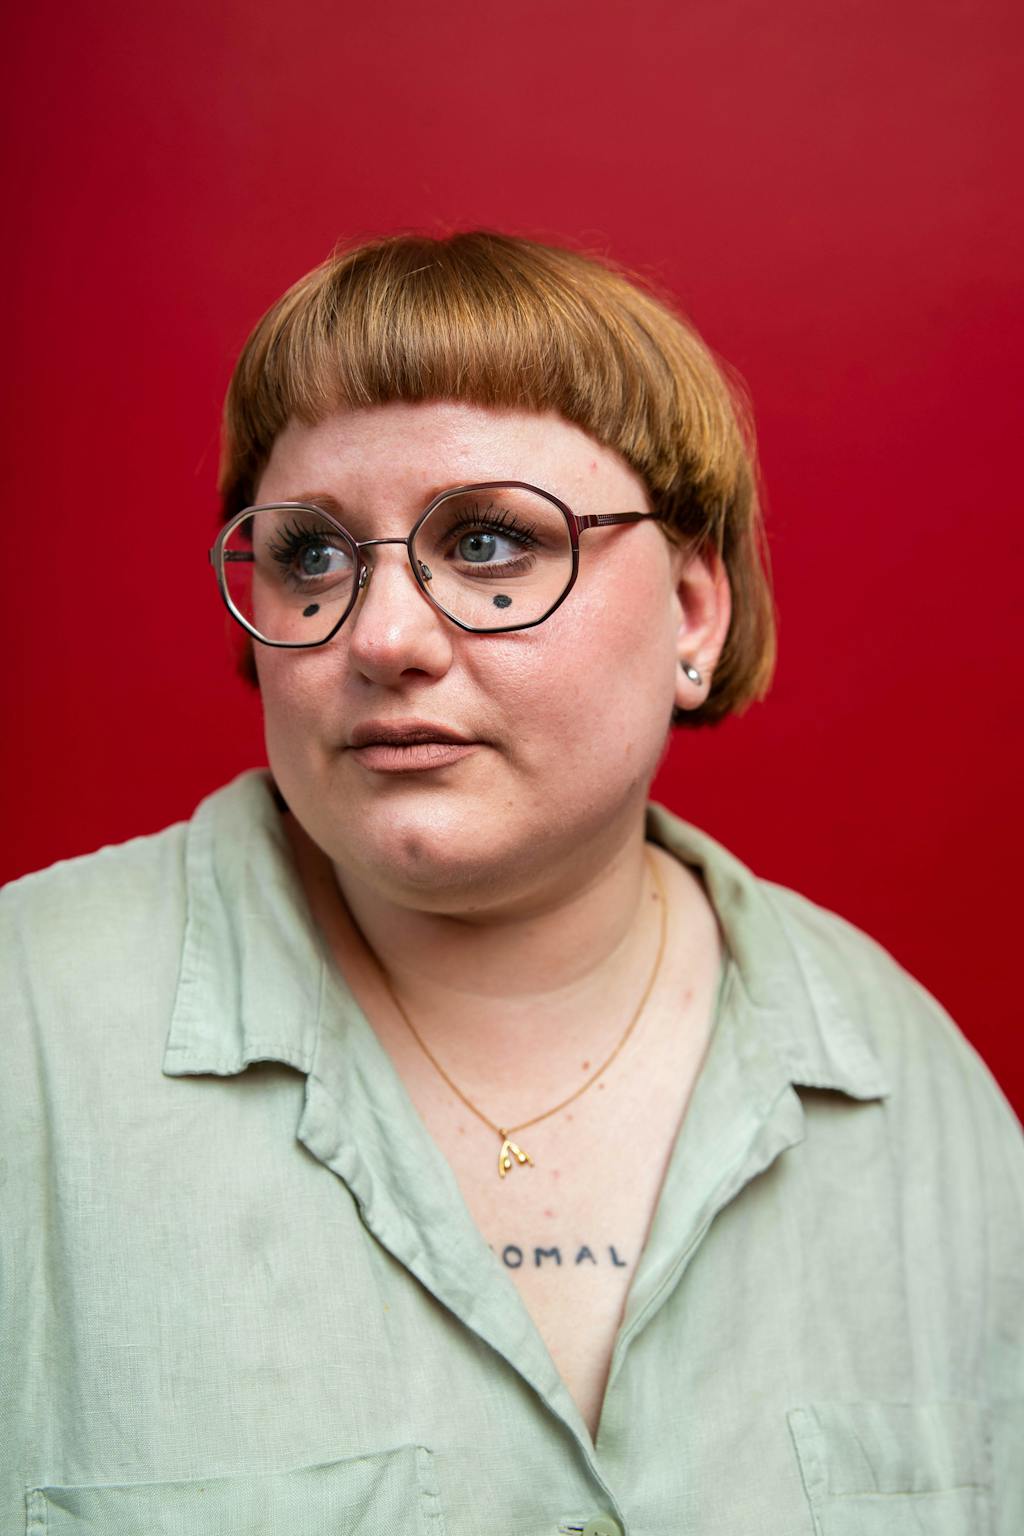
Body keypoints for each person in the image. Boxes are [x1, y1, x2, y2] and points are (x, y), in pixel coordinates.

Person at [2, 231, 1021, 1535]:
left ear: (694, 613)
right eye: (311, 555)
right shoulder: (27, 1031)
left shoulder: (909, 1087)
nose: (382, 637)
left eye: (488, 540)